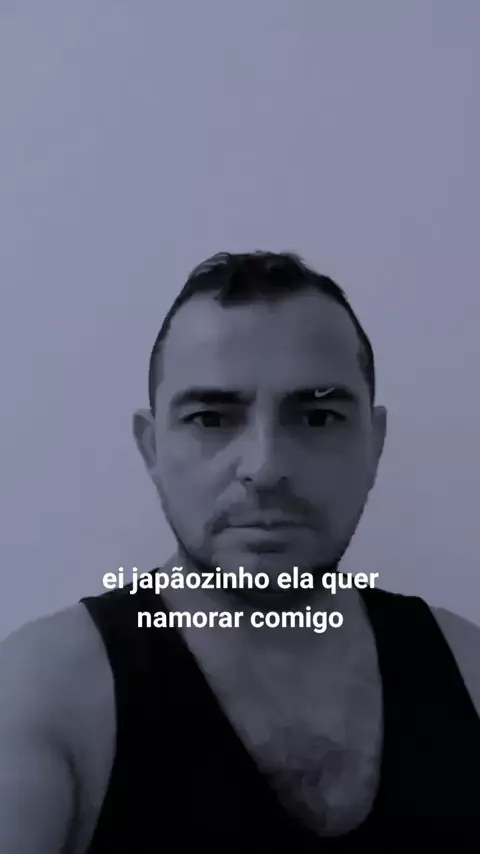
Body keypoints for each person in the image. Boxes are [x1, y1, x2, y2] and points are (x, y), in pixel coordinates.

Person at [1, 251, 479, 853]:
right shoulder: (42, 695)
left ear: (375, 443)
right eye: (210, 418)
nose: (266, 466)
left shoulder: (468, 667)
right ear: (152, 449)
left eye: (318, 417)